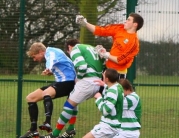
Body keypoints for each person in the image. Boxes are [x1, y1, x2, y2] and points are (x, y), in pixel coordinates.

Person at [40, 39, 106, 138]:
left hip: (86, 82)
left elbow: (82, 66)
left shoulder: (76, 49)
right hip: (98, 82)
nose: (70, 54)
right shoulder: (91, 48)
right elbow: (103, 63)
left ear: (70, 47)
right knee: (73, 101)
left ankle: (55, 134)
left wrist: (78, 79)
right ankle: (70, 129)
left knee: (68, 105)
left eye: (69, 52)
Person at [20, 42, 76, 138]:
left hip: (69, 82)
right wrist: (50, 71)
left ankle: (47, 122)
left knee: (47, 93)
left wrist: (48, 69)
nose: (34, 59)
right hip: (61, 82)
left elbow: (51, 61)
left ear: (41, 52)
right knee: (30, 98)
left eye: (34, 56)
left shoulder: (51, 52)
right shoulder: (51, 53)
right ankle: (33, 130)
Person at [76, 13, 144, 79]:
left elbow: (121, 60)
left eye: (129, 20)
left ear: (135, 24)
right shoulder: (120, 28)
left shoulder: (134, 43)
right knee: (100, 90)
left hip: (118, 73)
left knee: (112, 90)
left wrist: (106, 55)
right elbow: (101, 30)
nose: (125, 21)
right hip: (107, 69)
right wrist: (85, 24)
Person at [83, 68, 124, 138]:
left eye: (104, 75)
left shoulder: (112, 91)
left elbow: (106, 110)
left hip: (109, 126)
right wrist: (105, 85)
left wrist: (99, 98)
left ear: (107, 79)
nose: (103, 76)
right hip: (115, 124)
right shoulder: (118, 86)